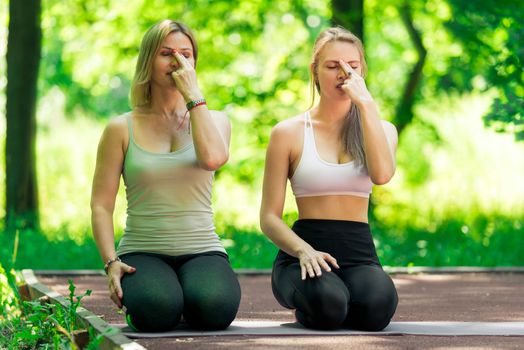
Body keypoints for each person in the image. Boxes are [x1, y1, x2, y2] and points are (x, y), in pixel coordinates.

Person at [90, 19, 240, 332]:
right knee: (155, 312)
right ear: (148, 60)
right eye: (166, 53)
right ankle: (165, 297)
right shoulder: (121, 127)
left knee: (215, 310)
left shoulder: (216, 120)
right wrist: (110, 262)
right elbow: (101, 204)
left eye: (186, 54)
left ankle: (188, 296)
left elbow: (213, 158)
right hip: (142, 250)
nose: (177, 62)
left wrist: (194, 95)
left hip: (202, 248)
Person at [260, 27, 398, 331]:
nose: (343, 74)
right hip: (304, 255)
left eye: (352, 66)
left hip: (359, 254)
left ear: (363, 69)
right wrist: (303, 251)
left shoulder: (382, 129)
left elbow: (382, 175)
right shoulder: (288, 132)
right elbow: (269, 218)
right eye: (333, 66)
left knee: (379, 308)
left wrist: (367, 106)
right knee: (328, 304)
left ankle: (341, 300)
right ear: (315, 71)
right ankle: (323, 302)